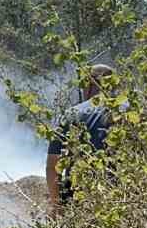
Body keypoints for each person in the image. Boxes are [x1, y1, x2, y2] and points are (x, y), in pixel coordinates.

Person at [46, 63, 115, 211]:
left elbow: (53, 165)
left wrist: (57, 207)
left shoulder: (71, 114)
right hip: (121, 199)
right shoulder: (131, 112)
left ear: (88, 85)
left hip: (80, 200)